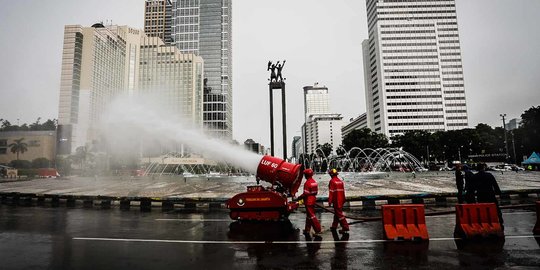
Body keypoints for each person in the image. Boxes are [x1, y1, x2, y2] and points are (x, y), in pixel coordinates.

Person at [298, 168, 322, 236]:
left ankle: (318, 229)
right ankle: (307, 230)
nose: (304, 176)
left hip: (308, 201)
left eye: (305, 174)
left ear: (306, 175)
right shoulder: (314, 181)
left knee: (311, 216)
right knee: (309, 216)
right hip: (313, 199)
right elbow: (316, 192)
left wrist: (299, 197)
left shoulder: (307, 183)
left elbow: (305, 194)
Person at [328, 168, 350, 234]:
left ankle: (345, 227)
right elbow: (343, 192)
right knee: (337, 213)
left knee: (339, 214)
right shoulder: (340, 181)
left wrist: (329, 201)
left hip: (336, 200)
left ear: (331, 175)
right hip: (341, 199)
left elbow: (331, 192)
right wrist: (343, 199)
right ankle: (334, 226)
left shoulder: (332, 181)